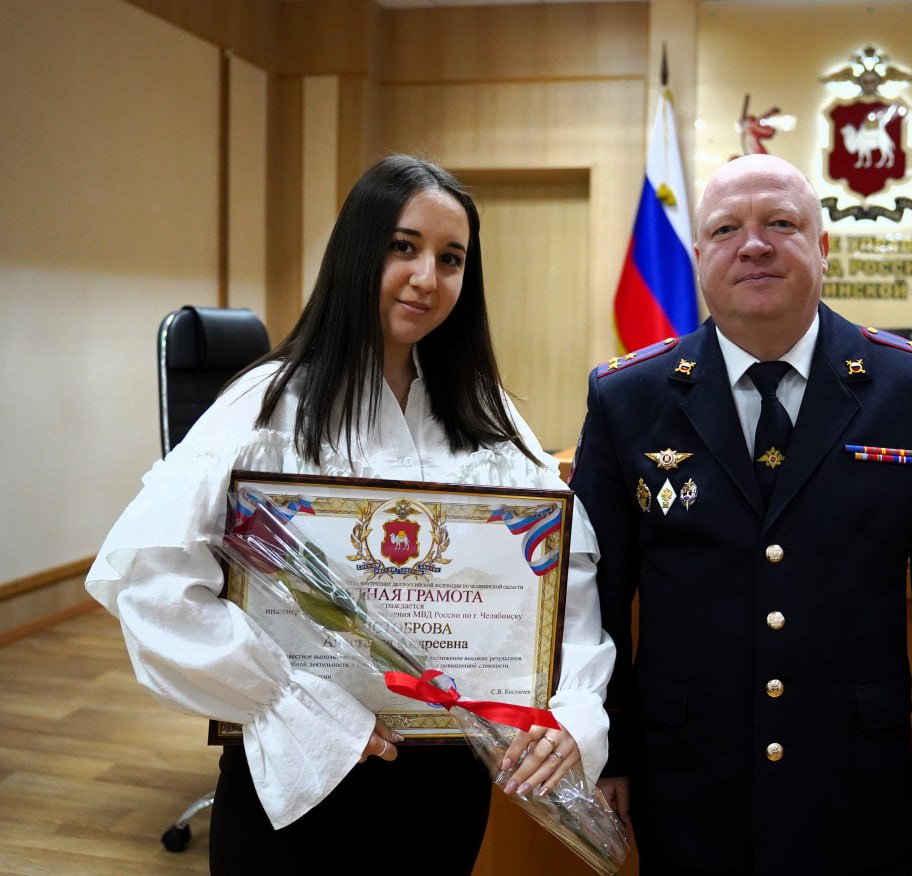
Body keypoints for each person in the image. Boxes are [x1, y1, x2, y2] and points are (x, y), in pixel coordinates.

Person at [86, 155, 614, 873]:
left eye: (451, 258)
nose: (427, 278)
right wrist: (297, 704)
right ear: (357, 251)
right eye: (403, 247)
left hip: (445, 781)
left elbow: (566, 580)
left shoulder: (487, 416)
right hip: (301, 768)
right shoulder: (266, 406)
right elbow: (153, 587)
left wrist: (576, 711)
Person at [569, 153, 912, 875]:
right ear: (698, 255)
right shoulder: (629, 398)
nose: (754, 245)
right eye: (726, 229)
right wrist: (605, 748)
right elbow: (597, 598)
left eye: (780, 223)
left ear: (823, 247)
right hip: (686, 780)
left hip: (853, 778)